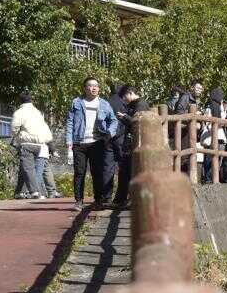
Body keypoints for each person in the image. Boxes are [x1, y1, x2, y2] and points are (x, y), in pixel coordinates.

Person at [65, 77, 118, 212]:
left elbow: (114, 120)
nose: (93, 88)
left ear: (98, 88)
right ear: (85, 88)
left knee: (97, 172)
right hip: (79, 143)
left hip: (97, 142)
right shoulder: (76, 102)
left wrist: (110, 133)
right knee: (79, 172)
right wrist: (69, 141)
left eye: (96, 86)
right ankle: (79, 201)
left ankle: (98, 200)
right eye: (90, 85)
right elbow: (70, 122)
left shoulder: (104, 104)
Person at [11, 91, 52, 200]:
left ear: (20, 101)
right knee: (24, 167)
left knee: (28, 168)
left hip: (27, 143)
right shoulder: (37, 112)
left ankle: (35, 191)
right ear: (31, 100)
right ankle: (19, 192)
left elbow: (14, 128)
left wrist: (18, 136)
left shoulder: (19, 112)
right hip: (39, 144)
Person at [112, 83, 147, 207]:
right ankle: (121, 199)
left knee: (129, 172)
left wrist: (125, 117)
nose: (124, 100)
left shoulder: (141, 105)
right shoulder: (133, 105)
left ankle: (125, 200)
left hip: (136, 143)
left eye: (124, 97)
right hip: (130, 143)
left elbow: (138, 124)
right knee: (125, 171)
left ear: (130, 93)